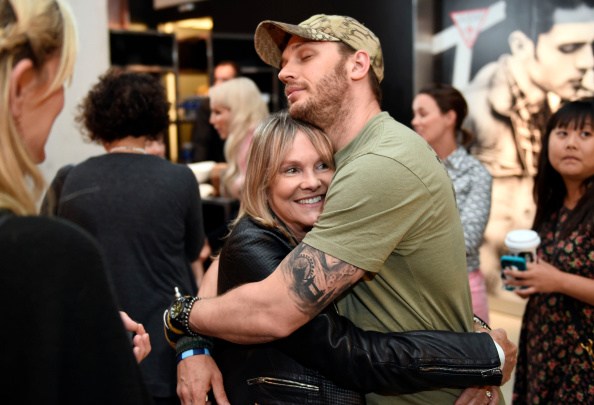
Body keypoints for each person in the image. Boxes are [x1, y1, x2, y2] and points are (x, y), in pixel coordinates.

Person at [165, 14, 517, 405]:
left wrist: (182, 316)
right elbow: (238, 247)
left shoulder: (380, 163)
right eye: (284, 63)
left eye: (305, 56)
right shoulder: (339, 159)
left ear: (357, 65)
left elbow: (276, 311)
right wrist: (193, 346)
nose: (285, 73)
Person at [0, 0, 152, 403]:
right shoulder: (43, 253)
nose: (63, 102)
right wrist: (99, 362)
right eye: (62, 81)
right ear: (21, 86)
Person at [42, 69, 205, 405]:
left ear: (96, 121)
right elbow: (192, 251)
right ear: (156, 119)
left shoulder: (68, 179)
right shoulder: (179, 178)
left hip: (98, 339)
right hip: (167, 343)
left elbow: (49, 255)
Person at [464, 0, 594, 293]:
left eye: (585, 134)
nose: (587, 62)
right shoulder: (476, 105)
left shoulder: (565, 102)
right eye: (570, 48)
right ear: (523, 46)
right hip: (504, 297)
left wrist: (556, 281)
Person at [503, 97, 594, 404]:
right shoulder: (553, 204)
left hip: (584, 360)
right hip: (545, 348)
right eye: (562, 133)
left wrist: (556, 281)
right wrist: (531, 281)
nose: (571, 144)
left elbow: (558, 277)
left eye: (586, 135)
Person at [412, 83, 492, 322]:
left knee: (475, 357)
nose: (415, 121)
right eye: (414, 114)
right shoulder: (411, 168)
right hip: (415, 287)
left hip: (462, 285)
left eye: (423, 114)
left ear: (449, 117)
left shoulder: (476, 173)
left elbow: (467, 240)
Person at [208, 76, 269, 199]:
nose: (212, 120)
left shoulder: (254, 144)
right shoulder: (249, 140)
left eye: (218, 112)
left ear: (238, 111)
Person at [191, 60, 241, 163]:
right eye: (216, 79)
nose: (218, 84)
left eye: (224, 80)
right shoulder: (207, 105)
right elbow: (201, 142)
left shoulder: (244, 104)